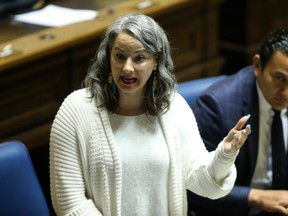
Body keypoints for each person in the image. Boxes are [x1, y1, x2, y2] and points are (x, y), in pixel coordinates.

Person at [49, 13, 251, 216]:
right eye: (119, 56)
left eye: (139, 58)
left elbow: (203, 184)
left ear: (156, 61)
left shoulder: (173, 107)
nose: (127, 68)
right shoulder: (75, 111)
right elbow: (69, 203)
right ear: (108, 56)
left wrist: (224, 155)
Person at [188, 27, 288, 216]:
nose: (286, 93)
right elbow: (195, 189)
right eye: (279, 78)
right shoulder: (216, 107)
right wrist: (257, 197)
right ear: (257, 66)